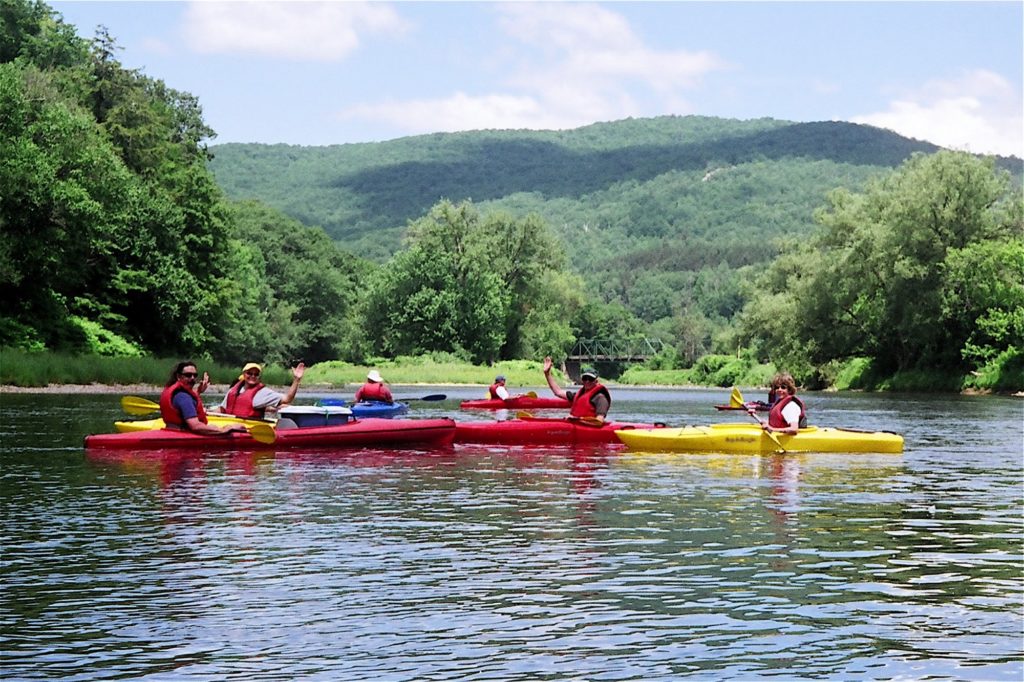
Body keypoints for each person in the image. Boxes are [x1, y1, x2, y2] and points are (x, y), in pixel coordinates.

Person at [159, 361, 247, 435]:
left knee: (213, 426)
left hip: (171, 431)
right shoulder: (183, 397)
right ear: (178, 376)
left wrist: (198, 391)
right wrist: (225, 429)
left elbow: (186, 404)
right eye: (188, 375)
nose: (192, 378)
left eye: (195, 375)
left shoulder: (178, 394)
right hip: (183, 434)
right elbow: (195, 426)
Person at [210, 361, 305, 419]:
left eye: (256, 374)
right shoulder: (233, 390)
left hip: (250, 429)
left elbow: (287, 399)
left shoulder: (263, 392)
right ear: (244, 374)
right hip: (230, 425)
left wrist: (296, 380)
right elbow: (222, 409)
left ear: (259, 377)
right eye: (249, 373)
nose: (252, 376)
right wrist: (205, 412)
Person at [542, 356, 610, 421]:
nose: (587, 381)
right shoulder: (579, 395)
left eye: (590, 379)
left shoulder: (601, 398)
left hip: (588, 430)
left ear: (596, 381)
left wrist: (578, 419)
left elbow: (599, 421)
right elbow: (558, 392)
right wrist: (547, 374)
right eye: (585, 378)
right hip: (576, 427)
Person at [754, 371, 807, 435]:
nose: (779, 389)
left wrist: (772, 429)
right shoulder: (780, 402)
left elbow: (794, 429)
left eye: (783, 387)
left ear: (789, 389)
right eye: (777, 387)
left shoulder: (790, 406)